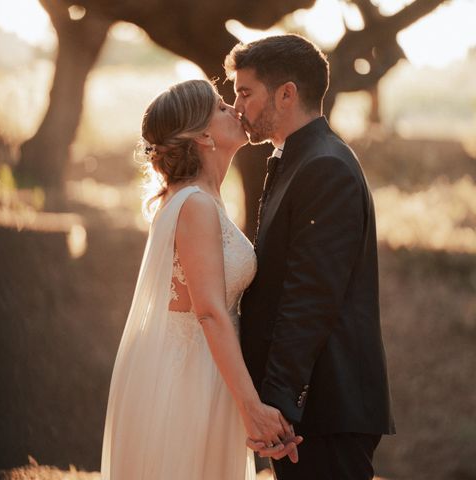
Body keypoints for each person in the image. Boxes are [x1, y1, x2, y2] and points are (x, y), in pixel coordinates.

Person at [100, 79, 302, 480]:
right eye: (221, 107)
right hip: (187, 376)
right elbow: (208, 312)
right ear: (204, 135)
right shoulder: (195, 205)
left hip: (204, 368)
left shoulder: (199, 198)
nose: (235, 109)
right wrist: (252, 409)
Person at [224, 34, 396, 479]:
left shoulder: (325, 167)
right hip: (309, 408)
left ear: (286, 94)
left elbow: (310, 298)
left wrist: (278, 403)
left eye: (245, 92)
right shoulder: (297, 159)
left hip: (325, 408)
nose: (237, 105)